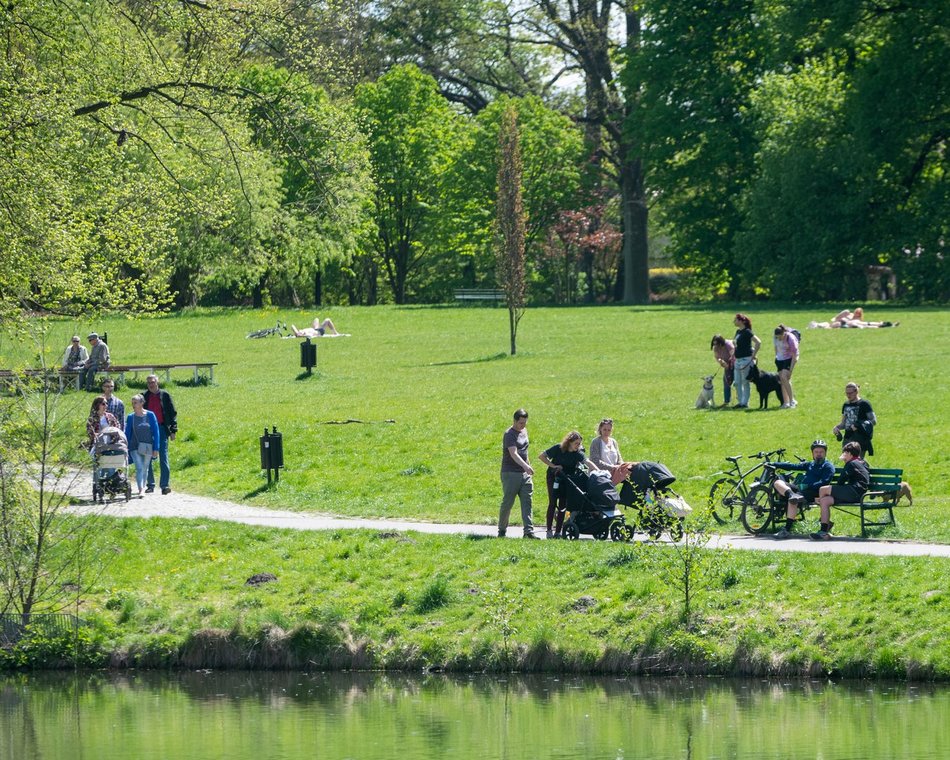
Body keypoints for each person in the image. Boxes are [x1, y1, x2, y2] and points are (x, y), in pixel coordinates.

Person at [539, 430, 600, 539]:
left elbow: (587, 462)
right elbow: (542, 456)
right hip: (554, 477)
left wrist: (599, 472)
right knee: (552, 502)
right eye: (576, 443)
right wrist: (553, 466)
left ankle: (558, 532)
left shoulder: (577, 453)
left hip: (567, 479)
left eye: (579, 443)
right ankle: (549, 530)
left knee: (563, 505)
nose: (578, 446)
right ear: (569, 442)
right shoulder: (558, 448)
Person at [772, 439, 836, 538]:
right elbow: (793, 466)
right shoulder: (810, 464)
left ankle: (787, 529)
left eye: (821, 452)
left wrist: (808, 486)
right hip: (800, 490)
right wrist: (774, 464)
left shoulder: (828, 466)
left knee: (793, 501)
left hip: (813, 492)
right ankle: (791, 494)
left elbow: (824, 482)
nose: (818, 454)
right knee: (777, 482)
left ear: (825, 453)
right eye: (816, 452)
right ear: (812, 453)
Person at [810, 441, 870, 540]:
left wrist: (845, 462)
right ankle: (823, 531)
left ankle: (824, 521)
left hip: (853, 492)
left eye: (845, 453)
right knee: (825, 501)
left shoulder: (851, 464)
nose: (843, 455)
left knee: (823, 489)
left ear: (849, 454)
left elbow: (841, 481)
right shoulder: (863, 462)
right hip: (859, 494)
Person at [498, 408, 537, 538]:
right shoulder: (509, 434)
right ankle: (502, 530)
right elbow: (513, 453)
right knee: (508, 503)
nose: (523, 425)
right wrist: (525, 466)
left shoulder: (524, 431)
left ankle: (528, 532)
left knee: (527, 502)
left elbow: (525, 451)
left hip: (524, 474)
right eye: (521, 423)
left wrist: (528, 466)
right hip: (510, 473)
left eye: (525, 423)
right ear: (514, 421)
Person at [143, 374, 178, 495]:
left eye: (153, 382)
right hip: (147, 430)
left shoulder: (165, 395)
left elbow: (172, 413)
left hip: (162, 429)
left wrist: (173, 430)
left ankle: (165, 485)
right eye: (149, 383)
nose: (151, 384)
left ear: (157, 382)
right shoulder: (144, 397)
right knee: (148, 457)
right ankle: (150, 485)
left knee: (163, 456)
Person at [124, 394, 160, 496]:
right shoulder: (131, 417)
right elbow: (127, 433)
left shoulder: (150, 415)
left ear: (142, 403)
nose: (133, 404)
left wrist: (156, 448)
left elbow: (156, 432)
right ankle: (141, 490)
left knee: (145, 467)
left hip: (148, 445)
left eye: (135, 402)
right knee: (139, 467)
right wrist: (125, 447)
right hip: (134, 446)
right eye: (132, 402)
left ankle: (143, 486)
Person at [833, 382, 876, 456]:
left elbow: (873, 421)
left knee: (858, 461)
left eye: (850, 393)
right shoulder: (846, 405)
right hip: (847, 438)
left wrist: (859, 425)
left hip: (860, 438)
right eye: (846, 393)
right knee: (847, 461)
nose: (848, 395)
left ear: (856, 391)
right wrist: (837, 428)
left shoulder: (864, 404)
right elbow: (844, 424)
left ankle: (865, 467)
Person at [589, 419, 635, 485]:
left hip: (614, 472)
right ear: (600, 429)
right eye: (604, 429)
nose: (606, 432)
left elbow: (619, 459)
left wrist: (621, 467)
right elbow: (595, 461)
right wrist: (612, 467)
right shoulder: (596, 442)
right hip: (601, 474)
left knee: (633, 470)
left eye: (609, 430)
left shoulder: (613, 442)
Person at [732, 314, 761, 409]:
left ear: (742, 321)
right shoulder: (738, 332)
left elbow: (758, 342)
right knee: (737, 382)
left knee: (745, 381)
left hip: (746, 359)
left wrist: (754, 355)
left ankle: (745, 403)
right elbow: (736, 345)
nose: (734, 321)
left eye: (736, 320)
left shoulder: (747, 332)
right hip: (737, 359)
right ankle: (740, 402)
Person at [773, 325, 799, 409]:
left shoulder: (790, 339)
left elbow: (795, 355)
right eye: (777, 337)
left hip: (789, 358)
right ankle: (786, 402)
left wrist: (790, 370)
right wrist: (777, 358)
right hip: (780, 359)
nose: (779, 339)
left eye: (780, 337)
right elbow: (776, 348)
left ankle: (792, 401)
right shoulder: (775, 337)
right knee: (782, 380)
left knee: (785, 377)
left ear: (784, 333)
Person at [710, 335, 735, 406]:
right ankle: (726, 401)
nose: (715, 346)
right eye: (714, 344)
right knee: (726, 381)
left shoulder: (728, 345)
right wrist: (720, 361)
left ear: (721, 343)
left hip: (735, 364)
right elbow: (717, 357)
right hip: (726, 365)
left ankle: (741, 402)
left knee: (737, 383)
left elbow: (734, 356)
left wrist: (728, 364)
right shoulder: (715, 348)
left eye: (717, 344)